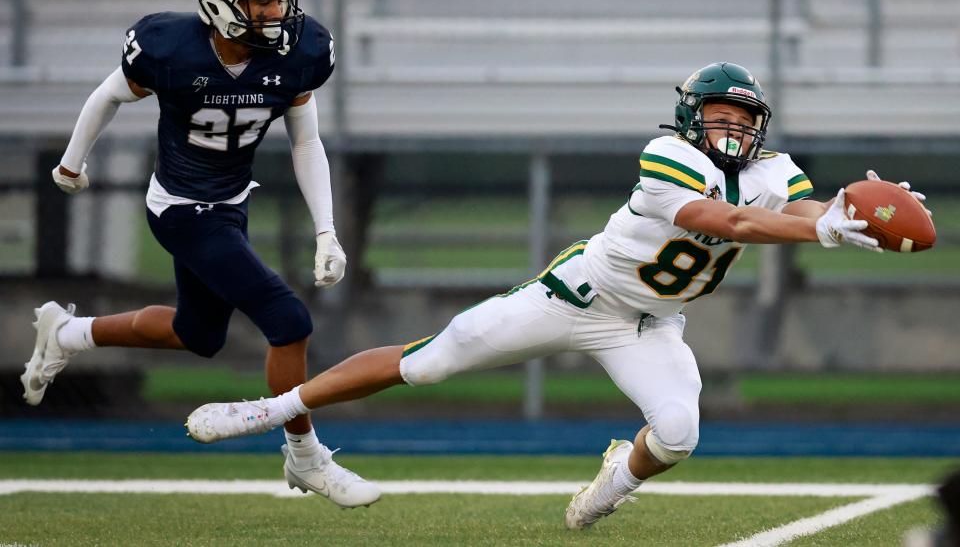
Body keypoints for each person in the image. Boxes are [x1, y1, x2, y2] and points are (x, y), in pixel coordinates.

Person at [184, 61, 926, 527]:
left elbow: (793, 208)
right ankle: (275, 412)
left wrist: (836, 213)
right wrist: (818, 232)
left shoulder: (776, 167)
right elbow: (719, 218)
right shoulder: (666, 153)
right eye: (719, 117)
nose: (732, 131)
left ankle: (613, 483)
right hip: (576, 292)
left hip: (649, 323)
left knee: (678, 431)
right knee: (431, 362)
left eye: (743, 120)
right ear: (691, 119)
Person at [20, 0, 380, 508]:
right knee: (288, 320)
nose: (278, 12)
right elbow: (108, 95)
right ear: (218, 3)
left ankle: (66, 333)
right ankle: (305, 455)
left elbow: (306, 144)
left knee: (198, 334)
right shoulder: (170, 48)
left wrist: (326, 230)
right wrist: (72, 161)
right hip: (181, 210)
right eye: (262, 1)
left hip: (231, 203)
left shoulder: (299, 53)